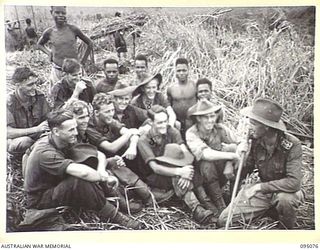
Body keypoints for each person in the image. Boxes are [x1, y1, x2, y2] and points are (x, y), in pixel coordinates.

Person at [23, 109, 141, 229]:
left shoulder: (63, 139)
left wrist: (101, 170)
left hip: (56, 183)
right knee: (79, 181)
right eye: (71, 130)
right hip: (41, 198)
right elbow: (84, 173)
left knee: (89, 160)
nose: (75, 132)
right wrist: (105, 177)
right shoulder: (45, 152)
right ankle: (115, 215)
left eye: (75, 128)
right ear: (56, 131)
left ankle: (118, 201)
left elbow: (98, 154)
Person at [218, 98, 305, 229]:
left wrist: (259, 188)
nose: (249, 126)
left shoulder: (292, 145)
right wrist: (237, 157)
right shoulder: (255, 140)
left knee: (285, 200)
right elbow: (243, 171)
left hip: (285, 190)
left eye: (253, 123)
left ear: (267, 127)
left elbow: (294, 183)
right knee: (224, 220)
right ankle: (269, 210)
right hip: (265, 192)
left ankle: (286, 231)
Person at [137, 105, 218, 225]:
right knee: (177, 176)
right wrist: (180, 172)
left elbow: (186, 153)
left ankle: (208, 203)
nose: (163, 125)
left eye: (165, 121)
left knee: (190, 169)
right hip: (155, 177)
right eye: (159, 122)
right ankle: (197, 209)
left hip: (175, 169)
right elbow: (155, 168)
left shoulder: (171, 131)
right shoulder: (144, 140)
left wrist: (187, 171)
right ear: (150, 122)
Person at [64, 99, 145, 213]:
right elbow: (84, 161)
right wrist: (103, 169)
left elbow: (98, 154)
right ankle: (122, 204)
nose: (85, 120)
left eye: (87, 116)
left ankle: (143, 193)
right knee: (107, 170)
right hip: (77, 175)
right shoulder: (72, 135)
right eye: (81, 118)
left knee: (116, 162)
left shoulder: (84, 130)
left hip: (93, 163)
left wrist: (107, 162)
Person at [85, 93, 153, 205]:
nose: (111, 114)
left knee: (136, 144)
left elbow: (129, 133)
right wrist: (131, 132)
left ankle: (146, 185)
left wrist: (132, 146)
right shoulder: (90, 127)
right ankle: (130, 198)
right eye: (107, 111)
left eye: (112, 110)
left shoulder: (109, 119)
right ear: (96, 113)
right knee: (117, 170)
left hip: (112, 157)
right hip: (97, 161)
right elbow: (111, 147)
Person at [186, 100, 239, 215]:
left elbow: (239, 144)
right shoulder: (191, 133)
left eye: (213, 116)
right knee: (207, 164)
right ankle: (220, 206)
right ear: (199, 118)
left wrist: (230, 162)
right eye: (206, 117)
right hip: (198, 179)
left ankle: (234, 201)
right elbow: (206, 154)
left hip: (219, 175)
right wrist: (232, 155)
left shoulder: (220, 129)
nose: (211, 120)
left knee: (236, 157)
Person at [37, 6, 93, 89]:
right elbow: (39, 44)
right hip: (58, 70)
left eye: (63, 13)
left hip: (75, 70)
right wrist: (49, 53)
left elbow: (90, 43)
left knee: (85, 90)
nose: (60, 15)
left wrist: (83, 62)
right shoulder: (49, 32)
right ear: (51, 12)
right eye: (57, 12)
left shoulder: (73, 29)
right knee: (58, 93)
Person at [7, 67, 50, 158]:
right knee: (25, 141)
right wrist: (36, 129)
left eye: (35, 83)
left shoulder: (39, 97)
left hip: (37, 136)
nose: (34, 87)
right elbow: (7, 132)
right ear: (18, 85)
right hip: (16, 140)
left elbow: (48, 118)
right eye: (30, 85)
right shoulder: (8, 102)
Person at [167, 58, 197, 137]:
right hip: (177, 122)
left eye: (184, 70)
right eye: (179, 71)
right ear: (175, 72)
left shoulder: (194, 86)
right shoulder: (171, 88)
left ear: (188, 71)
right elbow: (168, 106)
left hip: (192, 122)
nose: (181, 73)